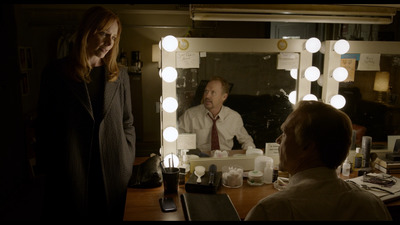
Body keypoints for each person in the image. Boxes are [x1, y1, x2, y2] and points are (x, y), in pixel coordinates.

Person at [36, 6, 136, 221]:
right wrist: (49, 170)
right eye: (103, 34)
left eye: (114, 37)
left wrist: (126, 161)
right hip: (71, 170)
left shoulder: (120, 76)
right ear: (87, 31)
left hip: (113, 169)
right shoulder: (56, 72)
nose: (109, 43)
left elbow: (127, 122)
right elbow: (44, 125)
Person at [245, 100, 392, 221]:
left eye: (284, 134)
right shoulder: (372, 205)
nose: (278, 140)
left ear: (307, 147)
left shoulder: (271, 211)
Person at [178, 76, 255, 152]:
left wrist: (250, 154)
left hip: (225, 160)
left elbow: (247, 141)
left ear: (224, 97)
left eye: (213, 92)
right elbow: (176, 138)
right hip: (199, 160)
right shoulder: (190, 115)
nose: (207, 96)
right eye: (206, 91)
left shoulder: (233, 117)